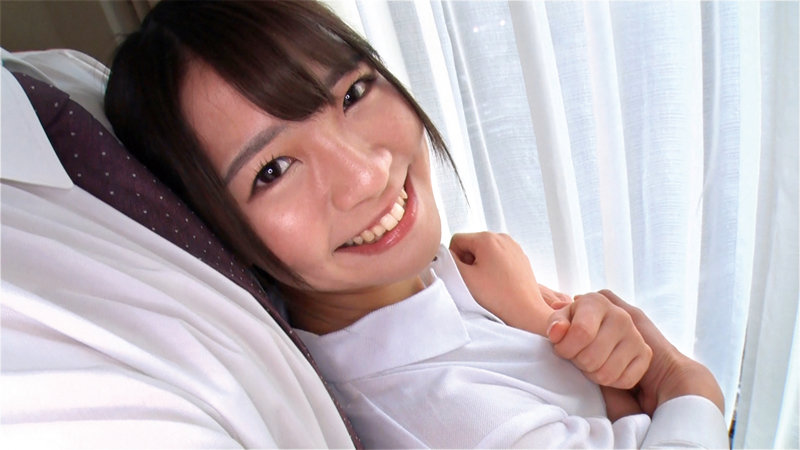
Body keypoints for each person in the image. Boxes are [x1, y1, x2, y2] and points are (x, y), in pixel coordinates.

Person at [104, 1, 728, 447]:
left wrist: (543, 323)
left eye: (352, 94)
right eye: (273, 169)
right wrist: (678, 379)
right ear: (214, 226)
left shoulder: (448, 284)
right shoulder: (447, 418)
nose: (366, 175)